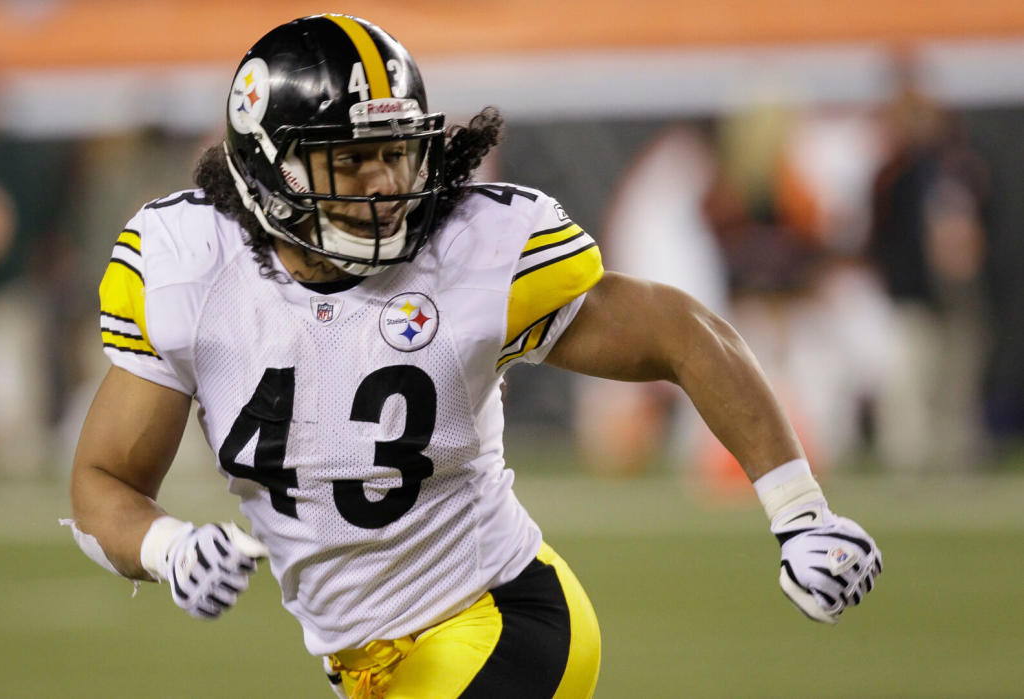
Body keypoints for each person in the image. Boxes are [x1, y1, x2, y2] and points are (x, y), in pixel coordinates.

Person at [66, 14, 882, 698]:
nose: (385, 182)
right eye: (350, 160)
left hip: (504, 619)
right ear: (268, 169)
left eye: (395, 152)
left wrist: (798, 509)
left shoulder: (470, 250)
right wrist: (168, 547)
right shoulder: (192, 265)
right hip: (371, 663)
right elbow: (104, 480)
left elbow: (679, 330)